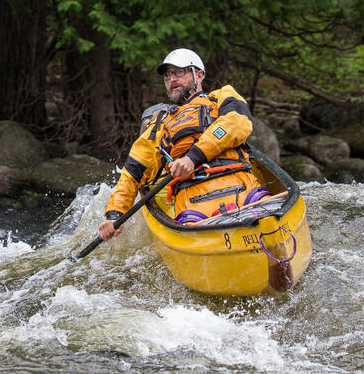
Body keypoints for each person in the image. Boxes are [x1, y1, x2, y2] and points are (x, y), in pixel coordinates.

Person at [98, 48, 264, 241]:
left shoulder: (221, 96)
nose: (172, 79)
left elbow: (237, 122)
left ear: (199, 74)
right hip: (194, 205)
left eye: (179, 72)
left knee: (265, 215)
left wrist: (193, 158)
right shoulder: (159, 124)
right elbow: (133, 173)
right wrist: (114, 216)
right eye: (168, 75)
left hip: (243, 187)